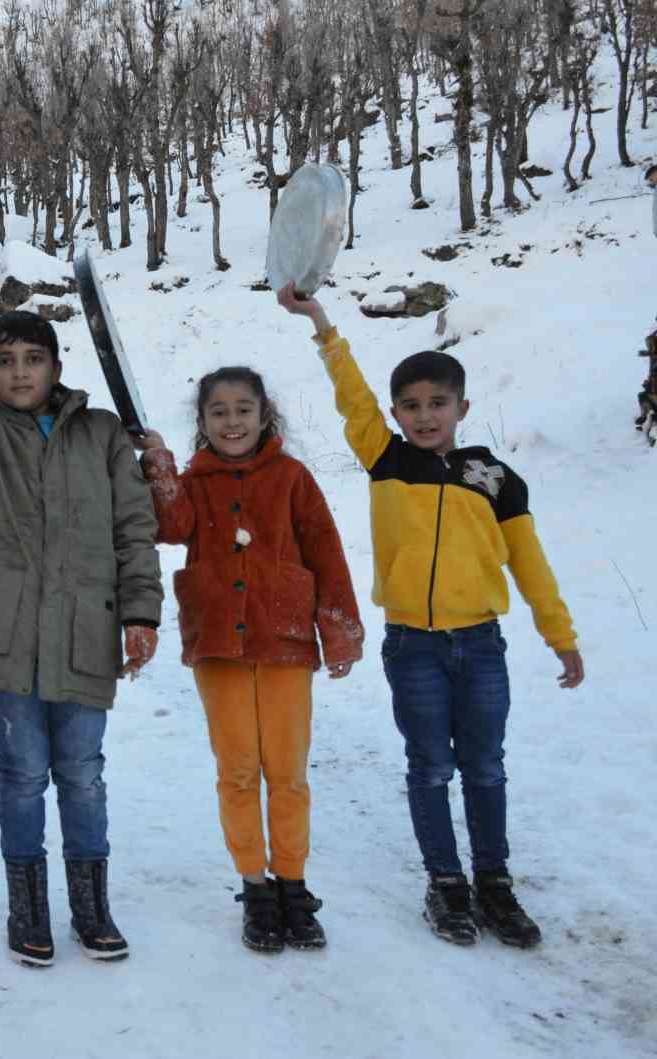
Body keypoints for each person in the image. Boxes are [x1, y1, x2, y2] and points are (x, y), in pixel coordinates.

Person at [280, 282, 585, 949]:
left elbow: (529, 563)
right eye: (411, 406)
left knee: (485, 765)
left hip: (481, 644)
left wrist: (560, 636)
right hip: (412, 645)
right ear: (395, 411)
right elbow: (353, 398)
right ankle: (446, 882)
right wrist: (322, 325)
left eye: (437, 404)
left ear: (461, 407)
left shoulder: (495, 479)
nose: (424, 417)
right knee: (430, 765)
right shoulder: (388, 460)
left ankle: (494, 881)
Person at [0, 276, 163, 968]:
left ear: (56, 365)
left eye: (33, 357)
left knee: (82, 771)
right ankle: (27, 905)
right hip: (5, 634)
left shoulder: (102, 432)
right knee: (22, 771)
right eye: (4, 360)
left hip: (86, 630)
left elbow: (134, 528)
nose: (19, 371)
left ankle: (91, 905)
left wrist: (142, 610)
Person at [133, 367, 363, 953]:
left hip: (283, 641)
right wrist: (159, 465)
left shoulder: (293, 478)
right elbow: (169, 525)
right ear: (203, 422)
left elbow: (327, 555)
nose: (231, 421)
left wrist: (338, 631)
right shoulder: (195, 482)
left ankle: (293, 883)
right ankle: (255, 887)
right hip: (219, 646)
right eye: (218, 412)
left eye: (242, 409)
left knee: (286, 773)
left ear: (264, 415)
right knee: (238, 771)